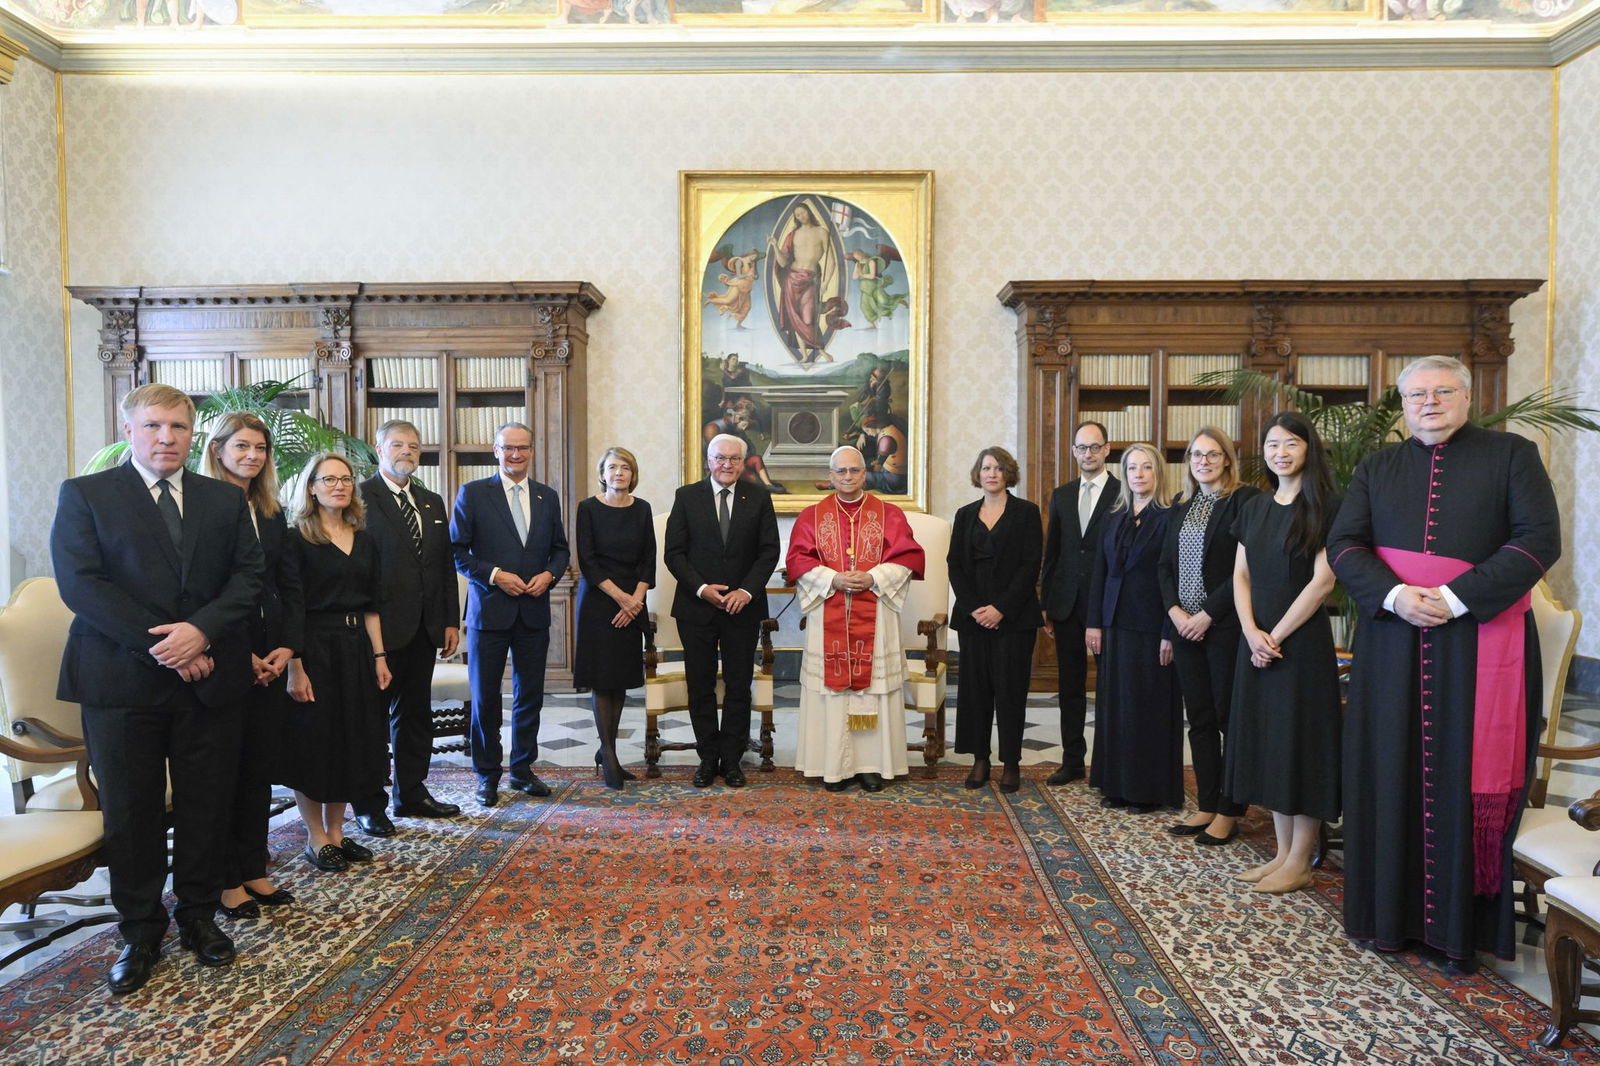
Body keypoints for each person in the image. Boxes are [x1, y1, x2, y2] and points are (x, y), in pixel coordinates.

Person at [1328, 355, 1561, 970]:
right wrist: (1397, 595)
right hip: (1392, 642)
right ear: (1402, 405)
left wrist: (1456, 599)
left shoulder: (1511, 455)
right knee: (1390, 770)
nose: (1428, 403)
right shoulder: (1379, 466)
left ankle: (1461, 932)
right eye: (1415, 395)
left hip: (1478, 642)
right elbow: (1344, 543)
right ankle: (1386, 920)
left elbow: (1540, 538)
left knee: (1459, 776)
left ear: (1466, 396)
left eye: (1442, 391)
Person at [52, 383, 263, 994]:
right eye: (152, 426)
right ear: (128, 429)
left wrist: (200, 632)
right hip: (120, 681)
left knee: (205, 804)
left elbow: (248, 578)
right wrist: (167, 647)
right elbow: (82, 586)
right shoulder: (86, 495)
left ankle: (198, 918)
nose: (165, 438)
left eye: (177, 426)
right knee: (132, 812)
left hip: (208, 680)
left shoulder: (223, 502)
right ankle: (140, 930)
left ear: (193, 433)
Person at [1226, 412, 1341, 895]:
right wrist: (1252, 631)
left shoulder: (1326, 506)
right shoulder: (1253, 506)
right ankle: (1279, 854)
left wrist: (1275, 636)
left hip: (1301, 647)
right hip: (1256, 644)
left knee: (1302, 747)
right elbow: (1240, 576)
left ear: (1307, 449)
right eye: (1272, 444)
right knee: (1272, 745)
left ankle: (1301, 860)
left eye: (1290, 443)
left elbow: (1324, 581)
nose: (1280, 452)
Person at [202, 412, 302, 920]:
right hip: (222, 655)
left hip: (270, 654)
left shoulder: (270, 509)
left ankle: (253, 867)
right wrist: (238, 655)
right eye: (242, 446)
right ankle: (224, 881)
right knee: (226, 771)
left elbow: (287, 584)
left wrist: (287, 647)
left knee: (258, 767)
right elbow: (203, 593)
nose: (253, 456)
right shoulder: (198, 506)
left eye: (260, 448)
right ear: (218, 449)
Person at [786, 445, 925, 792]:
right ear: (830, 476)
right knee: (831, 694)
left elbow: (908, 557)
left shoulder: (889, 513)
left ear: (865, 474)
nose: (847, 477)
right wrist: (832, 579)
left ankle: (870, 766)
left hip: (874, 613)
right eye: (840, 471)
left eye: (854, 471)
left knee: (874, 691)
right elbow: (797, 561)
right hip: (829, 612)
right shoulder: (812, 516)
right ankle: (832, 766)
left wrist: (874, 577)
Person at [451, 422, 571, 808]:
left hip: (533, 611)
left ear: (532, 451)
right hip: (489, 612)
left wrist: (550, 575)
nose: (516, 455)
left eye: (523, 448)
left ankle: (522, 769)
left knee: (529, 696)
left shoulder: (546, 497)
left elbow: (560, 550)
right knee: (486, 697)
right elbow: (457, 551)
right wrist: (495, 575)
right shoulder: (473, 493)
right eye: (508, 448)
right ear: (496, 450)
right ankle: (487, 775)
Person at [283, 453, 392, 874]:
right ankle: (315, 837)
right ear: (311, 487)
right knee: (315, 743)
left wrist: (379, 656)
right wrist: (295, 664)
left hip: (355, 650)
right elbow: (290, 606)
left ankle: (338, 832)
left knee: (352, 741)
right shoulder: (296, 539)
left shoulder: (364, 539)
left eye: (345, 479)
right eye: (328, 479)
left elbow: (372, 607)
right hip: (313, 648)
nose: (339, 486)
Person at [355, 420, 462, 834]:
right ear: (379, 449)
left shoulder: (432, 501)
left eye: (414, 446)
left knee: (415, 714)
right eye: (398, 444)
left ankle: (412, 793)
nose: (407, 451)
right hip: (378, 629)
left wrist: (450, 620)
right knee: (373, 719)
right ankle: (369, 805)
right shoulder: (361, 497)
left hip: (424, 628)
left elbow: (443, 568)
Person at [1157, 428, 1259, 846]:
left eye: (1212, 454)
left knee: (1225, 716)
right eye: (1196, 455)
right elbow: (1164, 567)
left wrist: (1206, 615)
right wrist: (1177, 613)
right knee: (1197, 718)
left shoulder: (1244, 501)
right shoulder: (1182, 504)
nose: (1203, 461)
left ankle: (1231, 810)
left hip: (1225, 627)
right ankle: (1208, 802)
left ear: (1227, 460)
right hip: (1184, 628)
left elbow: (1244, 569)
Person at [663, 433, 781, 788]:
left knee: (738, 685)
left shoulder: (759, 497)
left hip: (742, 609)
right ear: (708, 460)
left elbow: (768, 551)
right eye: (719, 458)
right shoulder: (687, 497)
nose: (726, 464)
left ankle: (731, 760)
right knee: (699, 685)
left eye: (733, 458)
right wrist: (702, 588)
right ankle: (706, 758)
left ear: (744, 462)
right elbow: (674, 553)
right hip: (696, 608)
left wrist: (746, 590)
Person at [1086, 443, 1182, 814]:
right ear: (1124, 475)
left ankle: (1147, 790)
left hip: (1152, 625)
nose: (1138, 474)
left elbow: (1171, 578)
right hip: (1114, 624)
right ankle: (1116, 785)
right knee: (1115, 707)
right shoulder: (1115, 516)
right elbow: (1101, 572)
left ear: (1157, 473)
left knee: (1147, 708)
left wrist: (1168, 631)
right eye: (1131, 468)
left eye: (1145, 468)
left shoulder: (1170, 516)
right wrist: (1094, 622)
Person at [948, 446, 1043, 794]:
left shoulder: (1026, 513)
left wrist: (1001, 608)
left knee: (1010, 690)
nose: (991, 473)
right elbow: (955, 564)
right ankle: (980, 759)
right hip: (973, 619)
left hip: (1013, 618)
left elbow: (1030, 565)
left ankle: (1012, 762)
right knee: (975, 691)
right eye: (986, 467)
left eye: (998, 468)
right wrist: (975, 608)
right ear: (978, 473)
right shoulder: (965, 514)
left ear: (1008, 474)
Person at [1040, 421, 1118, 786]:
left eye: (1094, 447)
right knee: (1070, 686)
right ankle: (1073, 760)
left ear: (1107, 450)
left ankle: (1108, 763)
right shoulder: (1062, 495)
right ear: (1073, 452)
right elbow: (1053, 552)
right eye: (1081, 448)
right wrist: (1047, 604)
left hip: (1110, 607)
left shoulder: (1123, 492)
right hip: (1067, 606)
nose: (1088, 454)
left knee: (1110, 686)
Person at [573, 446, 656, 790]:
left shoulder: (642, 509)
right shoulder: (588, 508)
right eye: (612, 467)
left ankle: (609, 750)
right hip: (599, 601)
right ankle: (608, 754)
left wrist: (635, 601)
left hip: (631, 603)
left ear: (632, 474)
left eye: (625, 468)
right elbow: (588, 561)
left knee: (619, 679)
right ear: (602, 473)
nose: (619, 473)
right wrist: (621, 598)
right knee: (602, 679)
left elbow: (648, 558)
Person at [768, 201, 838, 364]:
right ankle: (805, 355)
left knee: (808, 318)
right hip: (792, 279)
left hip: (810, 280)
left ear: (809, 212)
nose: (801, 216)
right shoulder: (793, 235)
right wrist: (775, 246)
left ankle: (821, 350)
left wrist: (826, 283)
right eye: (798, 215)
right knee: (795, 318)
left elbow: (832, 261)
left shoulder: (821, 232)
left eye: (803, 212)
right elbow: (784, 263)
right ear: (796, 218)